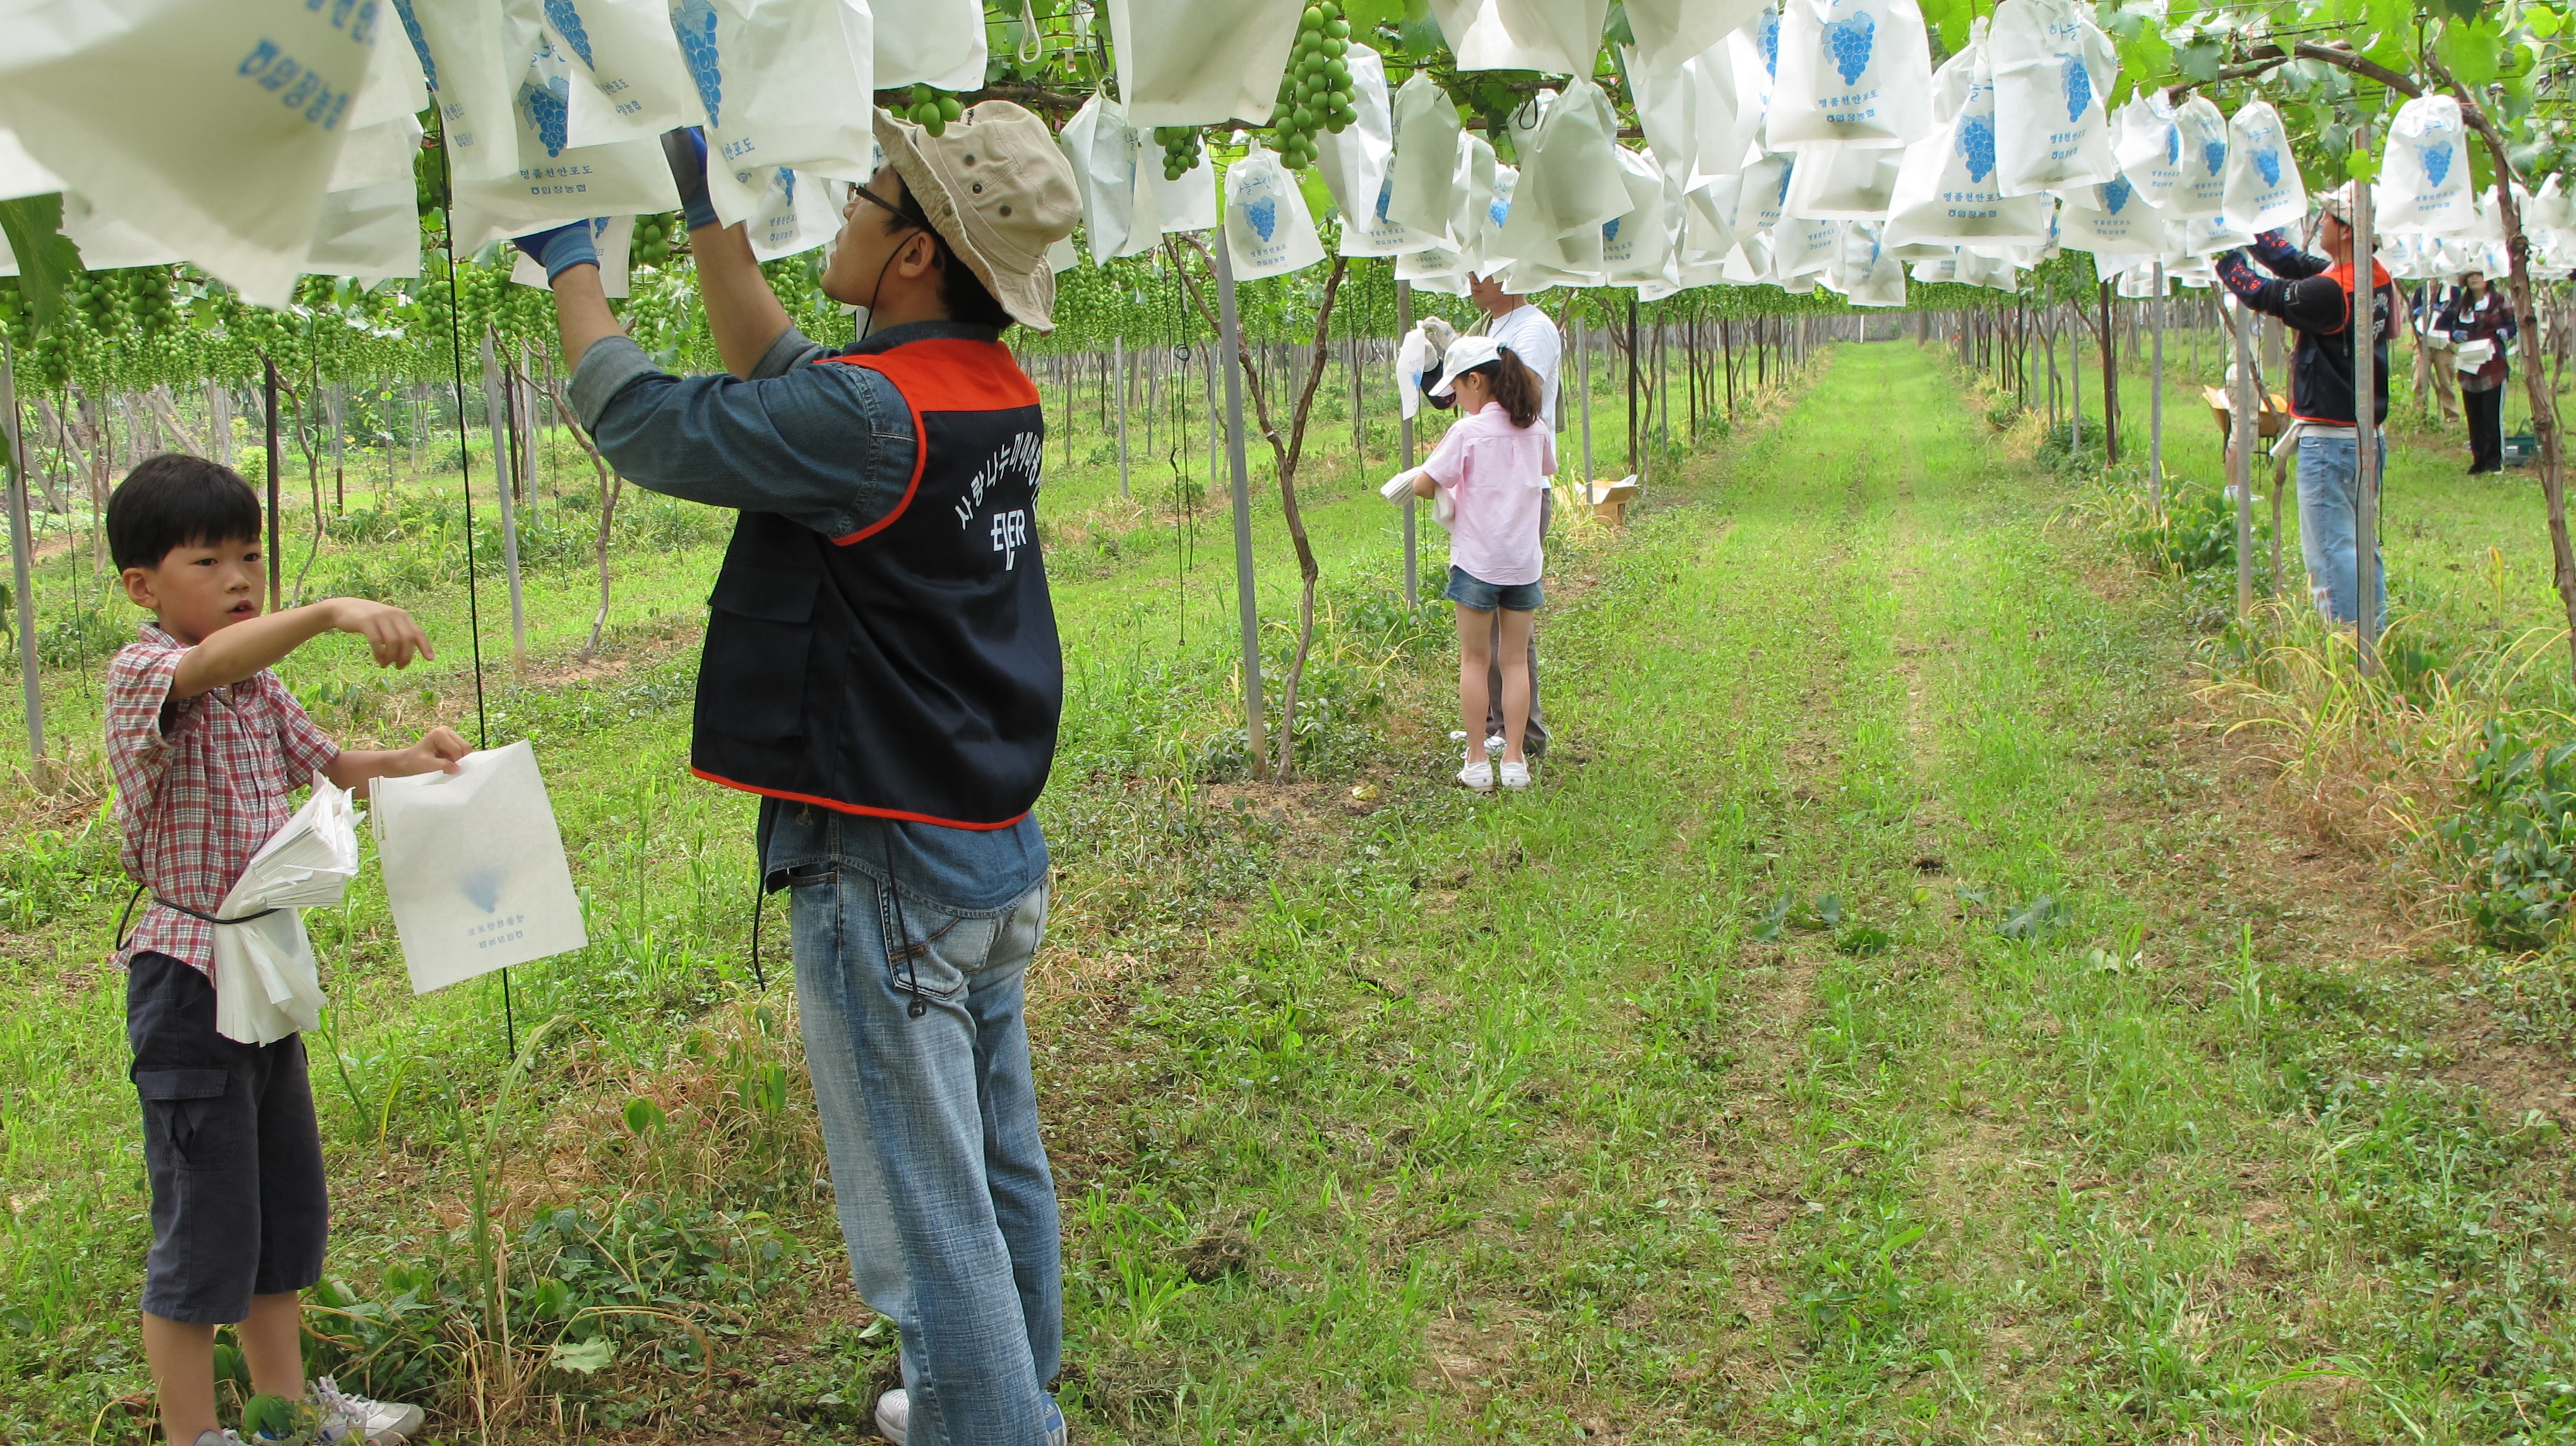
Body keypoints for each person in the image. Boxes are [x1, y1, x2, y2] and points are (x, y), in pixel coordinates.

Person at [511, 104, 1080, 1446]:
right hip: (987, 840)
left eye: (873, 195)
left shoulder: (866, 415)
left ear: (912, 261)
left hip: (886, 863)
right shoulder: (980, 390)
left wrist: (571, 266)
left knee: (923, 1211)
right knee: (997, 1162)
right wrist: (709, 214)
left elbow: (646, 423)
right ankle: (1004, 1397)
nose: (850, 201)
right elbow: (792, 386)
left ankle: (988, 1424)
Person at [105, 455, 460, 1446]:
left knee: (274, 1204)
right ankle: (195, 1436)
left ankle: (288, 1413)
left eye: (251, 556)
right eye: (207, 559)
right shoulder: (147, 673)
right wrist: (330, 610)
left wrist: (410, 762)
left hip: (264, 970)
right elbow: (201, 668)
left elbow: (332, 767)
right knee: (201, 1224)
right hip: (186, 981)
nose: (238, 579)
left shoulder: (258, 684)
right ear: (142, 587)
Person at [2216, 184, 2398, 634]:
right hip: (2363, 438)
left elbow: (2263, 293)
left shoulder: (2332, 292)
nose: (2321, 223)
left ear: (2349, 229)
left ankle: (2349, 650)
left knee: (2331, 552)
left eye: (2328, 217)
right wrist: (2247, 216)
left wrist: (2217, 246)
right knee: (2359, 544)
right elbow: (2294, 263)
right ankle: (2371, 635)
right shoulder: (2371, 276)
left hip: (2331, 443)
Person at [1408, 335, 1556, 790]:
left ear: (1477, 380)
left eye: (1459, 388)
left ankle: (1476, 761)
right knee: (1513, 661)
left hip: (1476, 562)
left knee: (1474, 660)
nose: (1457, 399)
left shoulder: (1467, 432)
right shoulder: (1536, 429)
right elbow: (1545, 472)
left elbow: (1423, 485)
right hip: (1522, 564)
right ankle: (1514, 761)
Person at [1463, 268, 1562, 759]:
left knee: (1508, 619)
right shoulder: (1493, 327)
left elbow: (1522, 399)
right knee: (1485, 615)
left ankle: (1524, 734)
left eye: (1484, 269)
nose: (1472, 277)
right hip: (1489, 486)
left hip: (1519, 489)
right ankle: (1493, 724)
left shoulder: (1533, 328)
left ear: (1513, 271)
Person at [2440, 270, 2518, 474]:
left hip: (2493, 364)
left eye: (2479, 275)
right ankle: (2479, 460)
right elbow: (2444, 324)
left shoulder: (2500, 301)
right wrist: (2454, 334)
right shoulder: (2460, 304)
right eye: (2470, 276)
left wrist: (2506, 332)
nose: (2474, 278)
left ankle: (2494, 462)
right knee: (2474, 414)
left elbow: (2513, 324)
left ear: (2488, 279)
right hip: (2469, 366)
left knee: (2492, 416)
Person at [2409, 282, 2464, 424]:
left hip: (2443, 342)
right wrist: (2418, 313)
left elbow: (2458, 313)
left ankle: (2452, 417)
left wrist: (2442, 311)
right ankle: (2419, 416)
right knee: (2420, 379)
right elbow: (2413, 312)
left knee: (2446, 381)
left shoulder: (2453, 291)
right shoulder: (2421, 290)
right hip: (2423, 341)